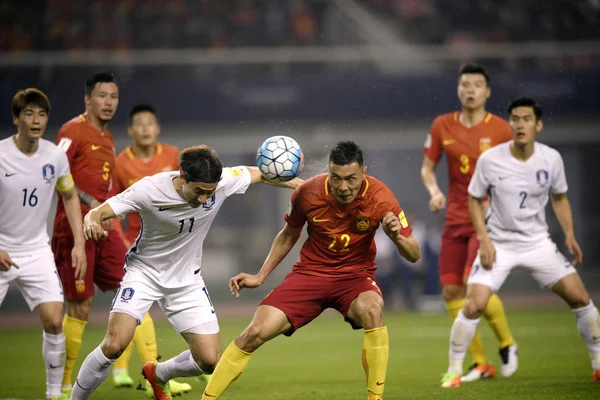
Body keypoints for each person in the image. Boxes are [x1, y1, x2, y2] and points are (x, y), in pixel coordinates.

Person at [69, 145, 302, 400]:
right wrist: (91, 222)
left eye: (209, 193)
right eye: (199, 191)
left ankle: (157, 375)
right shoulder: (149, 190)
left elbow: (261, 173)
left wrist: (305, 185)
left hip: (187, 281)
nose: (203, 199)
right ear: (182, 175)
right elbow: (98, 212)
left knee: (210, 360)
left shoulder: (222, 181)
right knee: (114, 345)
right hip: (144, 274)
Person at [200, 141, 420, 400]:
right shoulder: (307, 192)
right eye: (336, 178)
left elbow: (414, 254)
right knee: (254, 333)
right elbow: (287, 235)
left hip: (355, 278)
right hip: (309, 275)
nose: (343, 186)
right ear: (329, 171)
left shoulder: (381, 196)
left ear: (364, 172)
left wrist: (397, 238)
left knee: (373, 310)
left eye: (351, 179)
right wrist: (260, 276)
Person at [440, 97, 600, 387]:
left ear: (537, 125)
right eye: (514, 118)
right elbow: (474, 199)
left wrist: (569, 234)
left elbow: (560, 197)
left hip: (539, 244)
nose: (519, 124)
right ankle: (453, 370)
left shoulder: (551, 159)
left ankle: (598, 364)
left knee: (581, 299)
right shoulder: (491, 159)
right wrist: (485, 239)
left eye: (526, 118)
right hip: (499, 244)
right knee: (473, 305)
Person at [51, 73, 180, 395]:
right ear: (88, 99)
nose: (108, 102)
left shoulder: (107, 138)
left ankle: (155, 378)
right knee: (79, 307)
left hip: (104, 230)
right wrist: (93, 205)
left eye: (113, 97)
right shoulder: (72, 131)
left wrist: (106, 211)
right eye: (102, 96)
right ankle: (64, 384)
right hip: (74, 229)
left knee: (135, 292)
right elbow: (55, 174)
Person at [421, 64, 517, 382]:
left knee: (473, 287)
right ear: (458, 90)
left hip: (487, 221)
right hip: (454, 220)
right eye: (465, 84)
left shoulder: (503, 130)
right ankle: (480, 362)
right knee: (451, 291)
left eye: (477, 84)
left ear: (488, 92)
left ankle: (506, 342)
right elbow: (427, 168)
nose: (470, 89)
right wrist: (434, 192)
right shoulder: (441, 125)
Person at [0, 89, 86, 400]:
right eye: (28, 114)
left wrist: (79, 243)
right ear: (15, 118)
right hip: (0, 248)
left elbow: (69, 195)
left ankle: (53, 395)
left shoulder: (55, 155)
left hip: (36, 250)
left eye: (42, 114)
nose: (36, 120)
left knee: (53, 318)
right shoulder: (0, 154)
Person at [111, 104, 192, 395]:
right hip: (139, 249)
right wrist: (119, 241)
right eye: (139, 124)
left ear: (157, 128)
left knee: (184, 306)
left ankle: (196, 364)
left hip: (175, 247)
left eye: (150, 123)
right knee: (137, 310)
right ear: (131, 130)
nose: (145, 128)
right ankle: (152, 375)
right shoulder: (121, 163)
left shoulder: (172, 156)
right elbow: (116, 206)